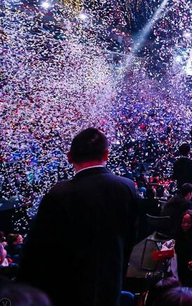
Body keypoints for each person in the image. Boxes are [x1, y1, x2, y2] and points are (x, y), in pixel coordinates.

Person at [19, 128, 139, 306]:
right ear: (106, 154)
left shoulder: (59, 193)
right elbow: (132, 237)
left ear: (70, 157)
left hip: (66, 290)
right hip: (110, 286)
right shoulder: (127, 188)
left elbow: (38, 248)